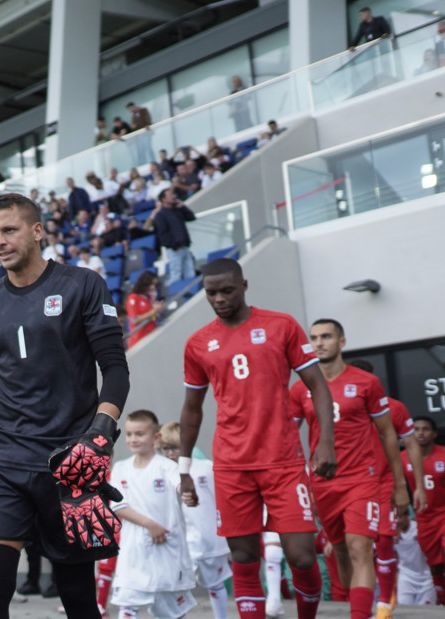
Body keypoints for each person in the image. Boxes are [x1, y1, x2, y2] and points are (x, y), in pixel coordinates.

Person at [0, 192, 130, 619]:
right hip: (4, 461)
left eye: (9, 230)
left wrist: (99, 434)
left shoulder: (83, 284)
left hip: (70, 463)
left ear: (37, 230)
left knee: (77, 596)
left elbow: (115, 370)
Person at [178, 258, 336, 619]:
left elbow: (318, 387)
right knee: (245, 558)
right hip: (232, 465)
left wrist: (325, 441)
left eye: (227, 290)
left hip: (283, 460)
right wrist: (183, 468)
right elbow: (191, 409)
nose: (219, 298)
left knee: (301, 555)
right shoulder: (198, 343)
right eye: (211, 293)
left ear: (244, 285)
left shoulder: (281, 326)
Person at [289, 319, 412, 619]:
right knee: (341, 552)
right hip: (322, 484)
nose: (319, 343)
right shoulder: (299, 389)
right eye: (314, 338)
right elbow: (288, 437)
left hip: (362, 480)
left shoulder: (366, 383)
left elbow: (387, 435)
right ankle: (361, 609)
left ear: (341, 342)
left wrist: (399, 486)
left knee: (360, 549)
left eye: (327, 337)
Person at [348, 358, 427, 618]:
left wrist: (416, 486)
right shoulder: (341, 406)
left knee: (383, 542)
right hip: (350, 485)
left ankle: (383, 602)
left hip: (382, 485)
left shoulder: (393, 408)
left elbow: (412, 445)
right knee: (354, 547)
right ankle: (362, 603)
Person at [108, 410, 197, 618]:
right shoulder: (121, 468)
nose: (133, 439)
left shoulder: (167, 467)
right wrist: (149, 524)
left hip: (167, 550)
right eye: (129, 434)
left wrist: (188, 494)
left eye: (140, 434)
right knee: (128, 604)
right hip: (134, 552)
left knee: (171, 611)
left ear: (156, 437)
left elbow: (181, 487)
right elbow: (118, 506)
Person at [158, 421, 229, 619]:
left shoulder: (206, 468)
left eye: (175, 447)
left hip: (208, 540)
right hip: (176, 542)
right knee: (175, 587)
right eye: (166, 448)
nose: (171, 453)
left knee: (215, 584)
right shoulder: (160, 471)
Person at [401, 416, 445, 605]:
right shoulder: (403, 457)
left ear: (434, 434)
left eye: (425, 429)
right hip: (424, 517)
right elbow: (394, 485)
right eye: (416, 429)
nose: (421, 432)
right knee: (436, 566)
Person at [150, 188, 196, 286]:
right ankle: (177, 297)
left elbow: (191, 217)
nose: (173, 196)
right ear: (163, 199)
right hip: (175, 249)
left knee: (190, 272)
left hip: (185, 246)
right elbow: (162, 234)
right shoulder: (160, 215)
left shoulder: (177, 210)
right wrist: (174, 246)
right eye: (170, 195)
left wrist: (183, 206)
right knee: (176, 274)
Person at [393, 510, 436, 606]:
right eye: (396, 518)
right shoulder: (391, 533)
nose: (398, 521)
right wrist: (389, 542)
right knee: (404, 611)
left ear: (407, 515)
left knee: (427, 614)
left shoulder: (419, 528)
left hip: (427, 578)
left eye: (400, 517)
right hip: (406, 578)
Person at [124, 271, 164, 349]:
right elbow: (134, 321)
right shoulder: (133, 298)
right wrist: (154, 311)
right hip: (139, 339)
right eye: (152, 285)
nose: (153, 288)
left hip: (151, 335)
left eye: (155, 285)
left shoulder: (148, 298)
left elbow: (153, 317)